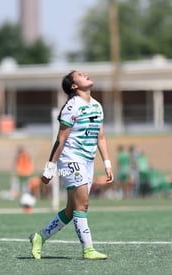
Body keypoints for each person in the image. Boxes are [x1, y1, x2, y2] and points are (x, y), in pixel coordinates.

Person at [29, 71, 114, 260]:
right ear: (74, 86)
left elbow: (100, 137)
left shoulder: (97, 106)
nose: (86, 75)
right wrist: (50, 168)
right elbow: (60, 140)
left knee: (71, 210)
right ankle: (88, 249)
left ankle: (39, 237)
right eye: (80, 75)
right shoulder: (71, 107)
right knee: (82, 205)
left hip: (88, 161)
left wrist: (107, 163)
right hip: (70, 159)